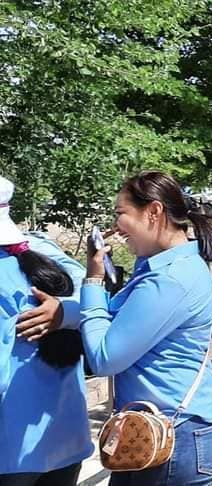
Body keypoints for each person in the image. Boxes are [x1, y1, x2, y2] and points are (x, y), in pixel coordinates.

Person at [81, 171, 212, 486]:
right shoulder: (160, 267)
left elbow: (105, 357)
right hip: (153, 430)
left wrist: (92, 280)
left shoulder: (170, 279)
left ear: (154, 211)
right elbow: (115, 316)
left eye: (121, 213)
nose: (116, 226)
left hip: (173, 434)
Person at [0, 177, 92, 486]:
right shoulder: (43, 254)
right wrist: (66, 312)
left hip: (11, 450)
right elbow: (99, 296)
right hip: (66, 439)